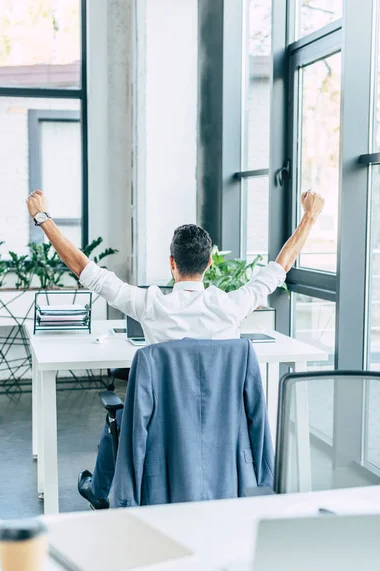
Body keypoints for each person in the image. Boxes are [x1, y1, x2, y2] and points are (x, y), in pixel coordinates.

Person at [26, 189, 324, 508]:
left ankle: (98, 491)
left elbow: (88, 273)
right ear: (209, 263)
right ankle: (99, 490)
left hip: (163, 436)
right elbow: (278, 268)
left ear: (172, 264)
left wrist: (43, 219)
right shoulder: (232, 305)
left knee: (121, 416)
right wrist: (309, 216)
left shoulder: (152, 305)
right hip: (225, 434)